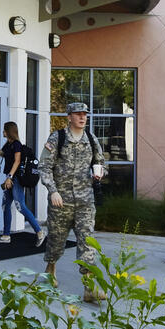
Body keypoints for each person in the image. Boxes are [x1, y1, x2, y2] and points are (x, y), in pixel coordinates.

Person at [40, 102, 107, 302]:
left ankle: (89, 288)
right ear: (69, 116)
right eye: (78, 114)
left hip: (85, 200)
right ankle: (50, 269)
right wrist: (52, 191)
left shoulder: (91, 139)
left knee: (87, 243)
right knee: (56, 241)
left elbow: (101, 162)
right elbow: (44, 166)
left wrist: (100, 172)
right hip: (61, 202)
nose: (82, 117)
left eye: (85, 114)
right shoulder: (57, 137)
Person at [0, 121, 45, 246]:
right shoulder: (8, 144)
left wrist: (9, 177)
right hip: (10, 178)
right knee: (6, 206)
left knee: (20, 206)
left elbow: (17, 162)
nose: (2, 132)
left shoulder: (17, 145)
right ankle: (6, 235)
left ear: (9, 131)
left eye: (4, 130)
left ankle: (39, 232)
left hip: (15, 179)